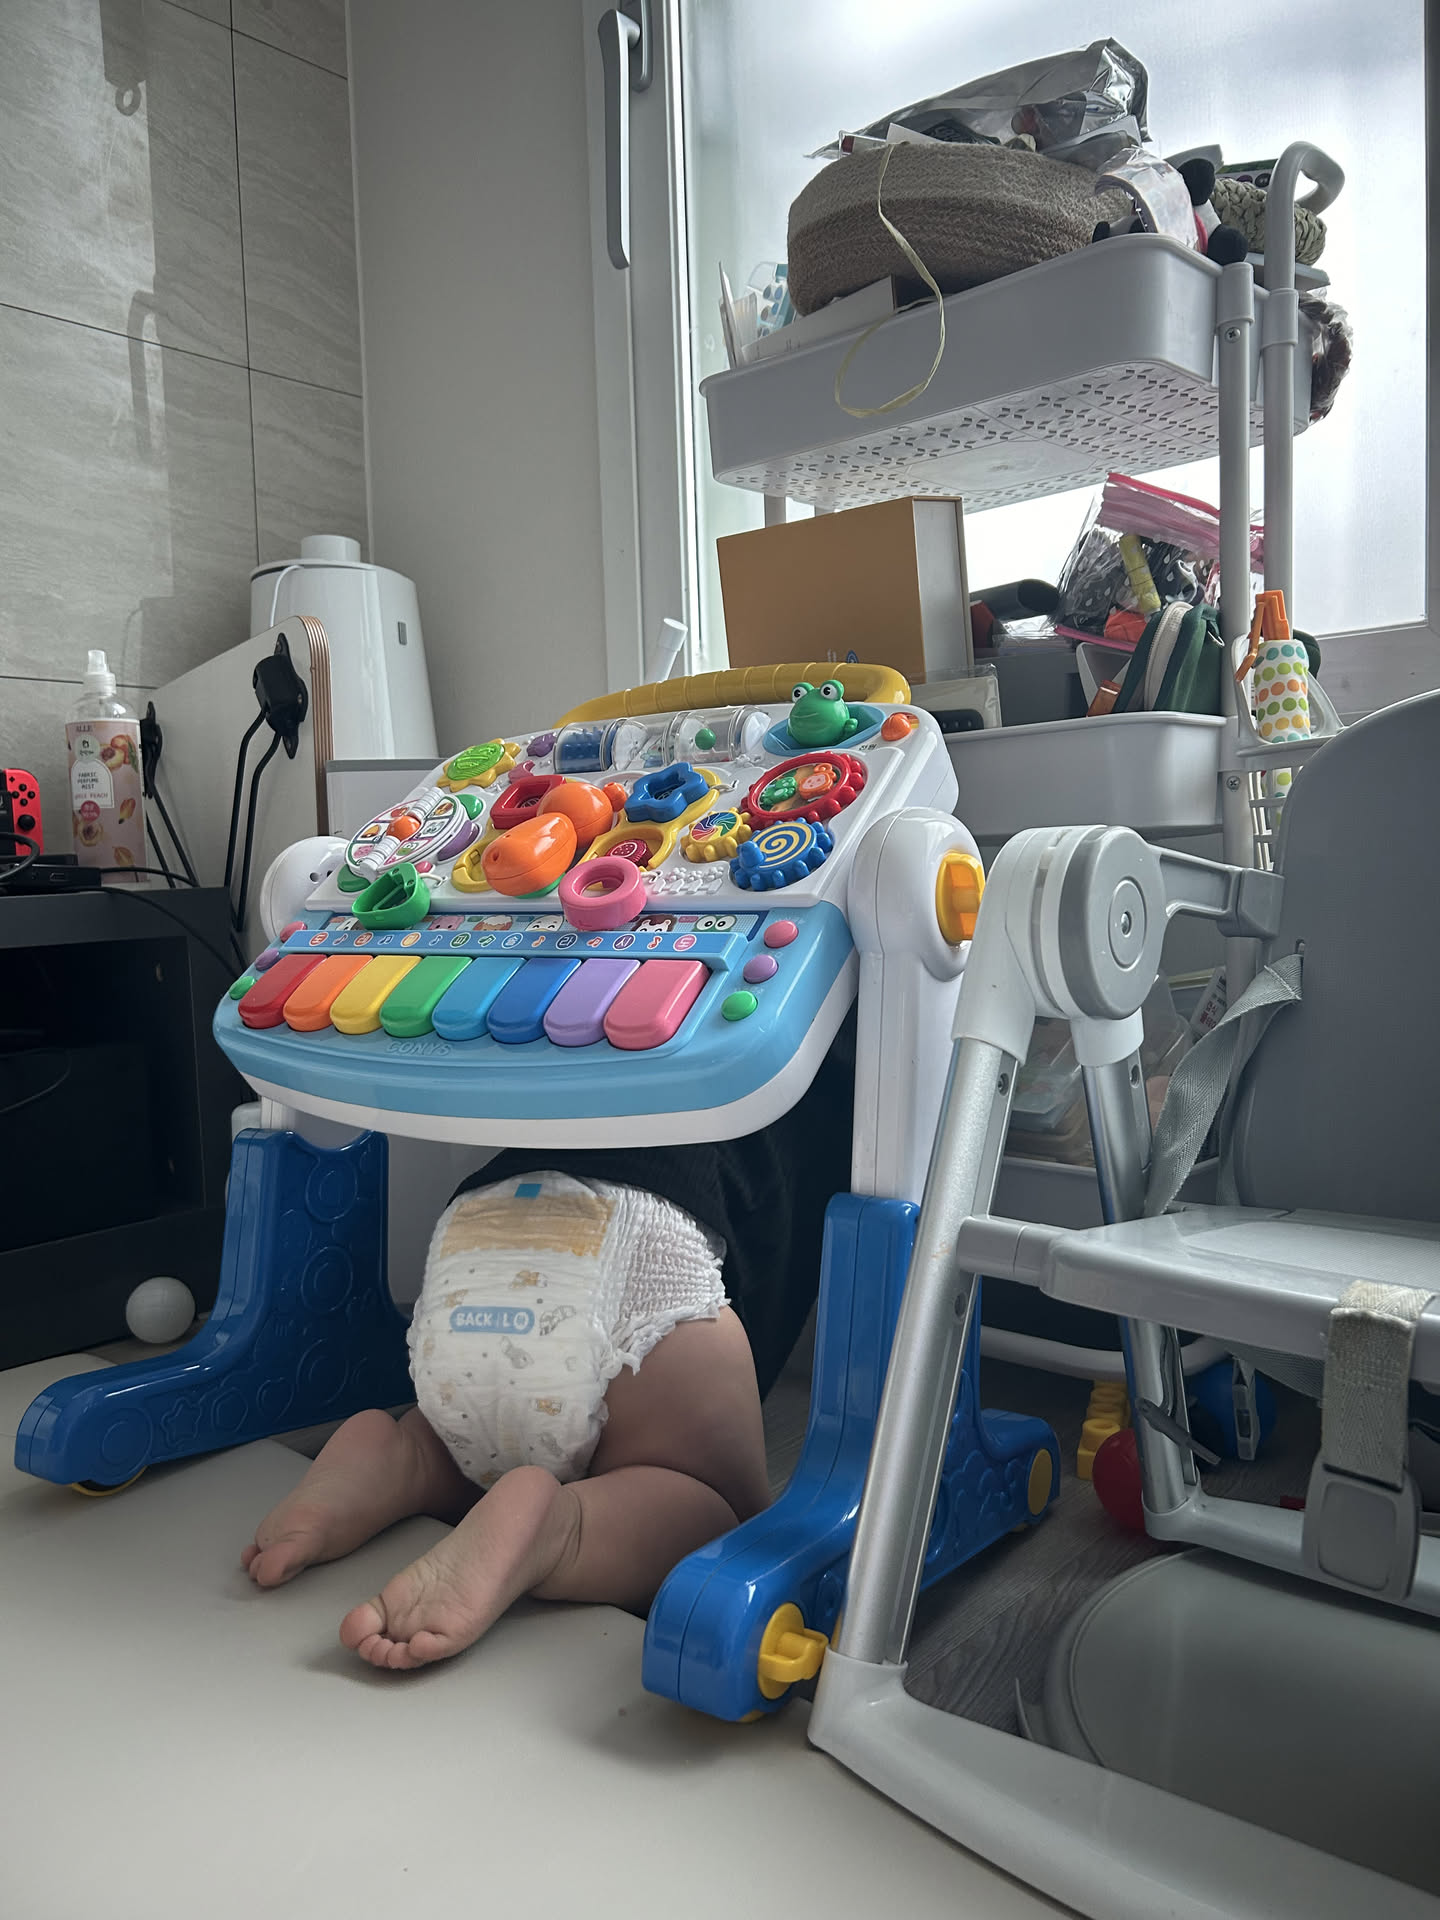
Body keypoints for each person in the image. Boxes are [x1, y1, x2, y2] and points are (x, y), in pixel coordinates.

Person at [242, 1014, 856, 1671]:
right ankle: (558, 1529)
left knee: (471, 1439)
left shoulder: (623, 1003)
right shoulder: (836, 1042)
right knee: (716, 1511)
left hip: (482, 1228)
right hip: (641, 1246)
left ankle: (402, 1458)